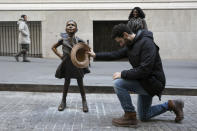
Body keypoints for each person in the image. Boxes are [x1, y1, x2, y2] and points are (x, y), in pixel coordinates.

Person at [88, 20, 184, 127]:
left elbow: (144, 70)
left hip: (153, 83)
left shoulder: (147, 43)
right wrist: (95, 55)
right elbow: (115, 54)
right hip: (144, 81)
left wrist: (123, 74)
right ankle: (172, 104)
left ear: (125, 35)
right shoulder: (131, 45)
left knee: (118, 83)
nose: (120, 45)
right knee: (144, 116)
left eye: (120, 41)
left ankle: (130, 116)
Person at [51, 20, 88, 112]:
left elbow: (87, 50)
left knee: (80, 83)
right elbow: (53, 47)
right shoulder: (62, 40)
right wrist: (60, 56)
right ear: (65, 29)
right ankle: (63, 101)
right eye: (68, 25)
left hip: (77, 64)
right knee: (66, 82)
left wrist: (84, 59)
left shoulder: (80, 41)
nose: (70, 26)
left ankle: (84, 101)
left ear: (76, 29)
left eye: (72, 25)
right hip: (67, 63)